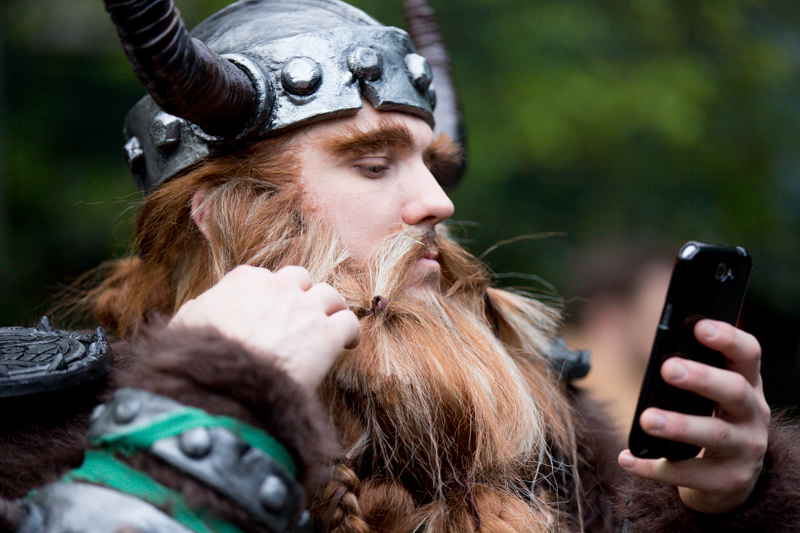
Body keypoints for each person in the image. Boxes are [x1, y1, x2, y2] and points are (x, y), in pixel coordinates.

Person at [1, 0, 799, 532]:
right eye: (374, 164)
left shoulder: (553, 430)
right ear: (225, 214)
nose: (438, 202)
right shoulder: (39, 437)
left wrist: (723, 506)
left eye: (430, 164)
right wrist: (209, 403)